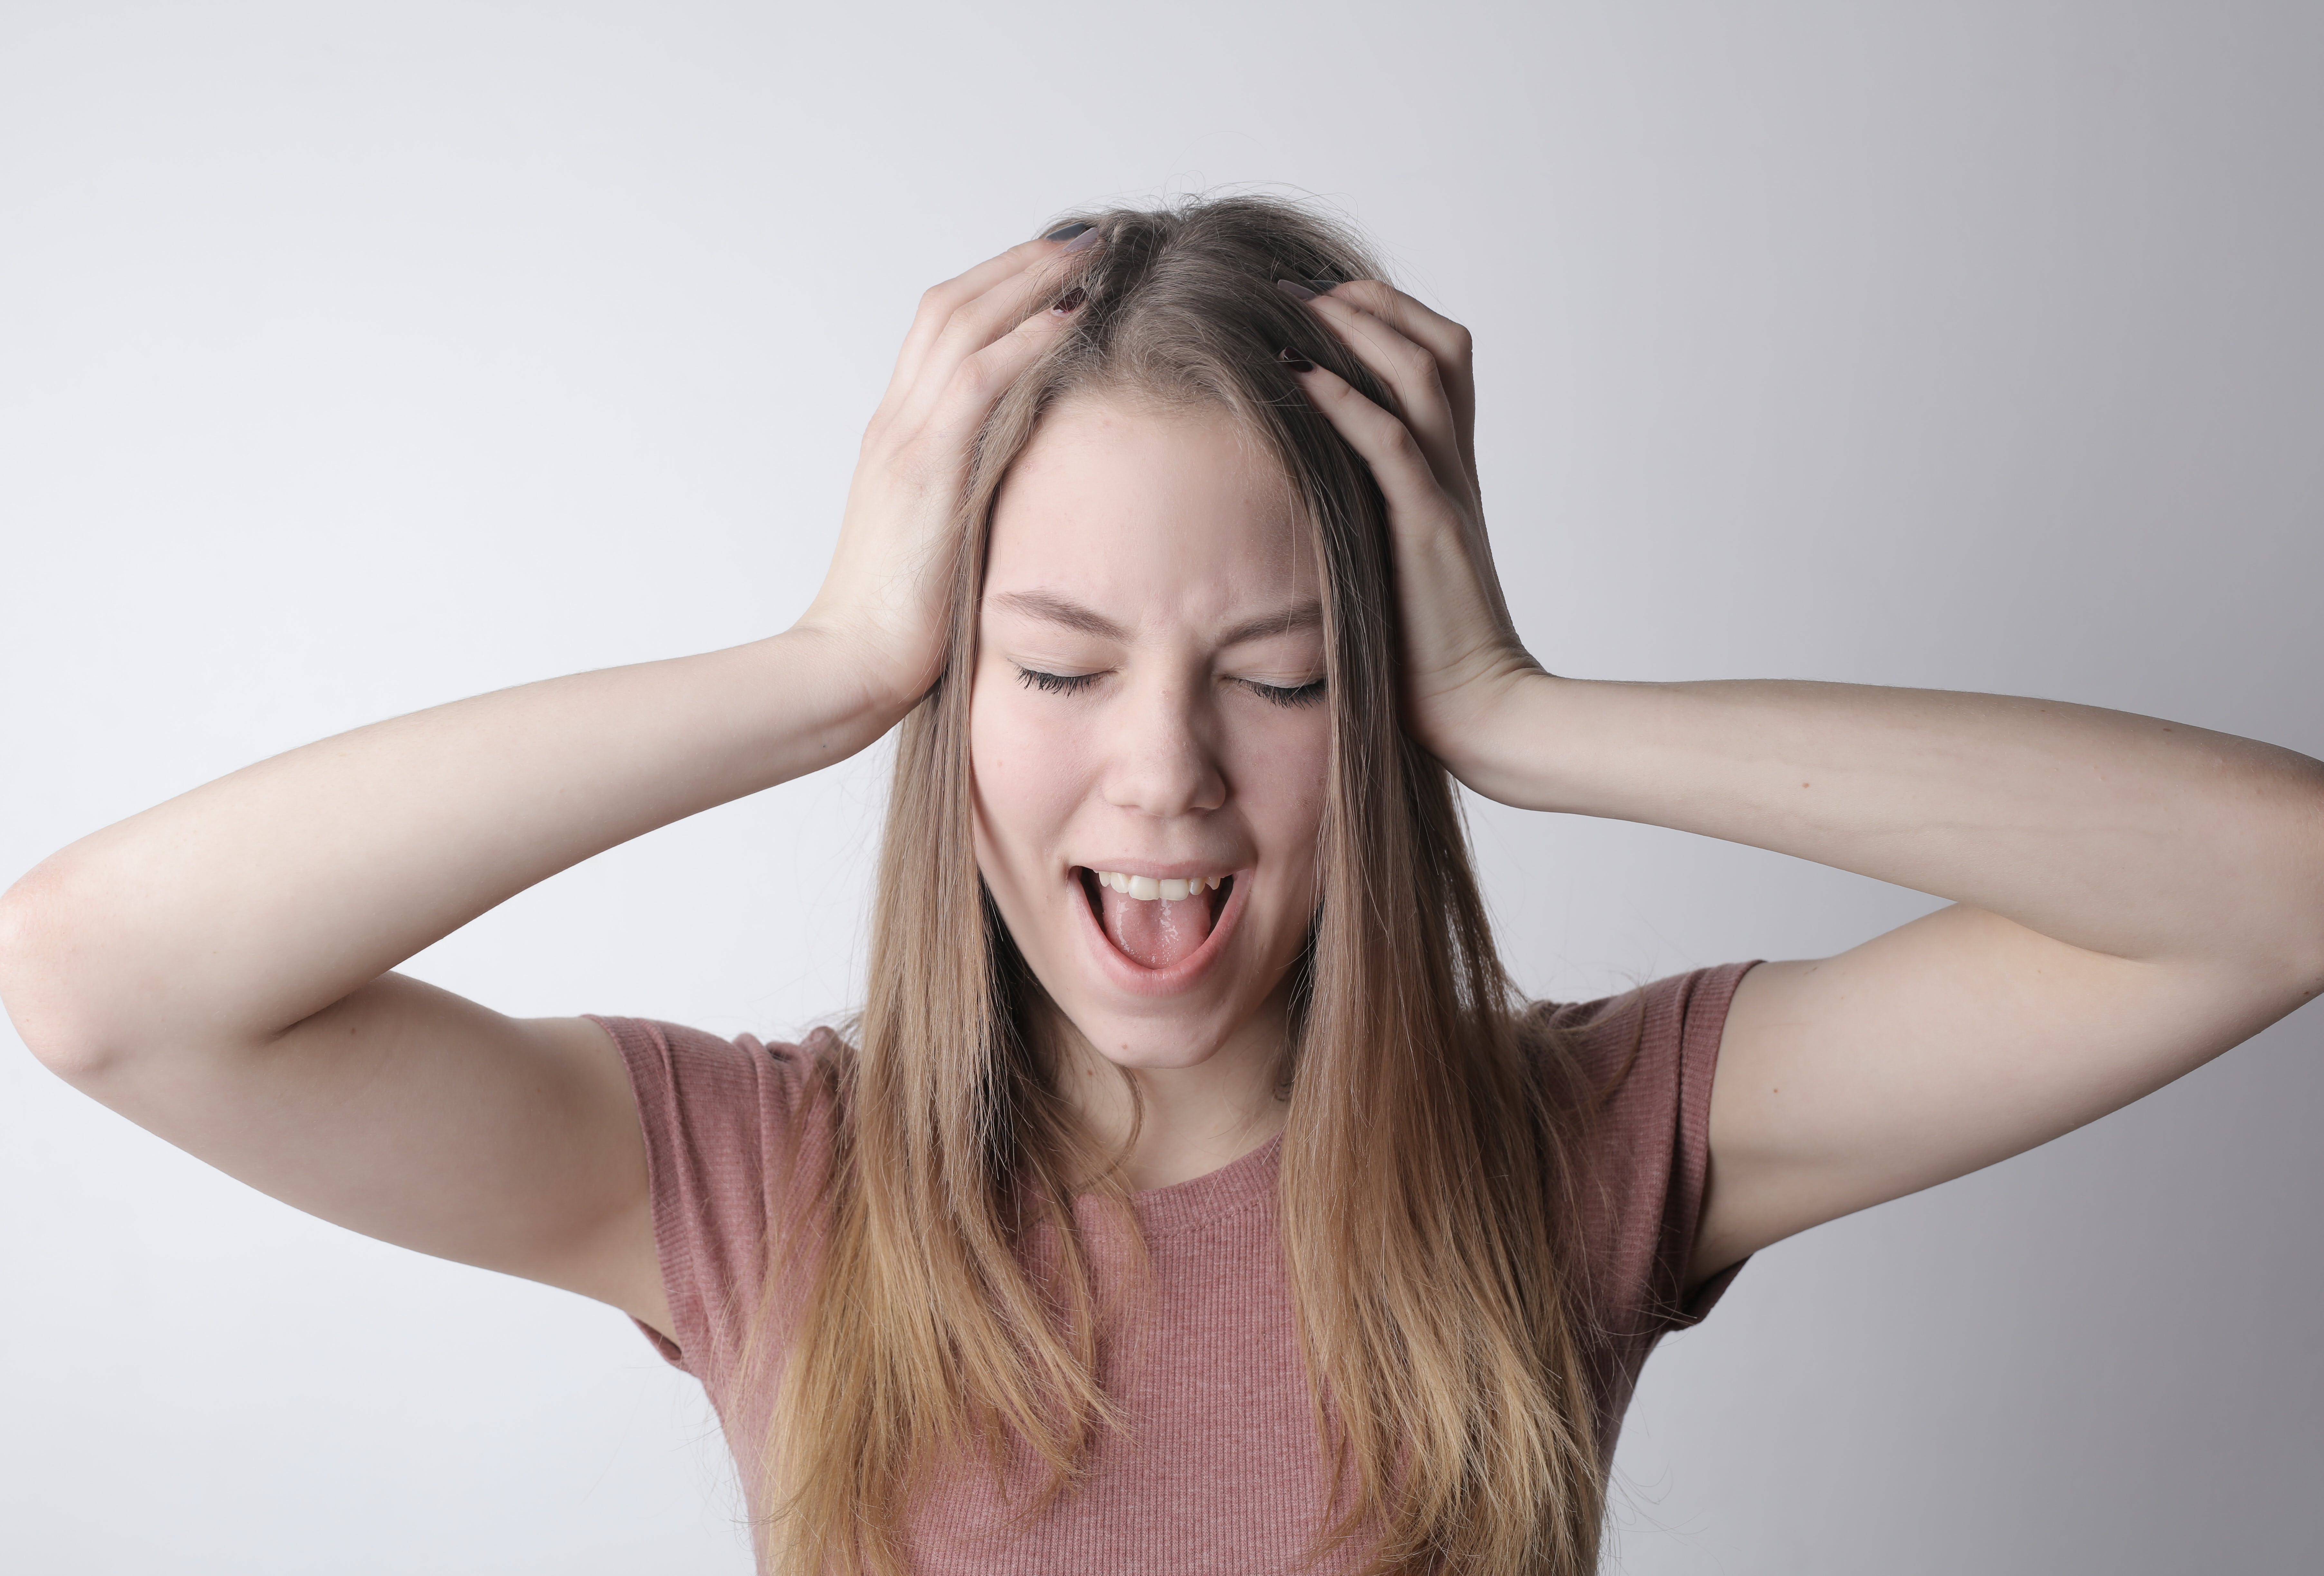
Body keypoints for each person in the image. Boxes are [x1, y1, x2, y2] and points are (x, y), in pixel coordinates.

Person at [2, 195, 2317, 1576]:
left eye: (1285, 679)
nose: (1163, 778)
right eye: (1055, 665)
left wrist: (1517, 712)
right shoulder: (758, 1184)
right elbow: (102, 982)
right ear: (950, 700)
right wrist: (816, 669)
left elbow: (2274, 884)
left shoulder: (1578, 1148)